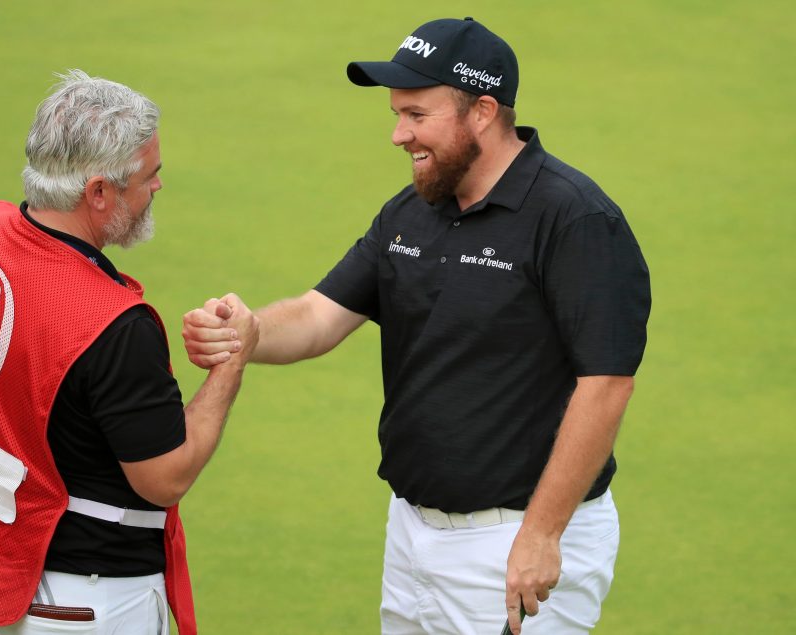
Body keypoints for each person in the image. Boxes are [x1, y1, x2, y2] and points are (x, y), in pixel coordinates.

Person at [183, 18, 650, 635]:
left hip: (518, 540)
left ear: (482, 111)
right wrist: (250, 331)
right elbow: (320, 316)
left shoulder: (575, 220)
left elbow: (607, 383)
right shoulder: (413, 211)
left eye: (416, 115)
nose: (399, 134)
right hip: (412, 532)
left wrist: (542, 534)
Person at [0, 69, 258, 635]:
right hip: (84, 606)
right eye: (149, 175)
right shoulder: (114, 325)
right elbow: (164, 479)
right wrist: (231, 363)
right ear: (98, 192)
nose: (157, 188)